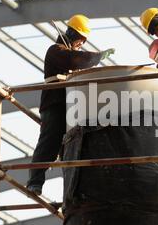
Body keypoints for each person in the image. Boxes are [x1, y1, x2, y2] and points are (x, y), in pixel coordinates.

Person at [26, 14, 115, 196]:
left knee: (69, 146)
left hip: (68, 106)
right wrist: (97, 56)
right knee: (48, 142)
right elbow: (76, 59)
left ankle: (72, 191)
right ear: (73, 34)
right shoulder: (56, 51)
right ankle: (34, 181)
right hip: (54, 104)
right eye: (81, 40)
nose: (81, 44)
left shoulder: (66, 52)